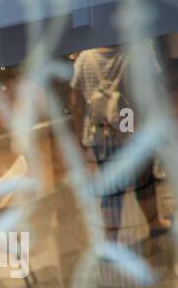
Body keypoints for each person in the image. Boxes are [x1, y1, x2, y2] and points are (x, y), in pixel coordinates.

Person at [69, 43, 173, 242]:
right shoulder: (138, 49)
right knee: (144, 181)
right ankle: (154, 223)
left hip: (101, 134)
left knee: (111, 189)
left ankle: (111, 239)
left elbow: (76, 102)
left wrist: (79, 136)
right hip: (132, 130)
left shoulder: (85, 57)